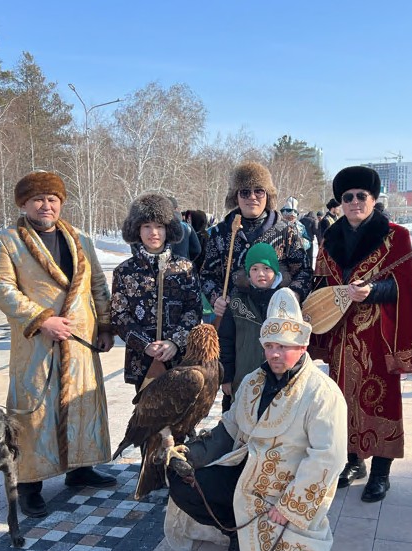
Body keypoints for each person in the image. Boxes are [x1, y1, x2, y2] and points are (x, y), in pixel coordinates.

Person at [165, 288, 347, 551]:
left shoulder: (323, 393)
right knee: (182, 483)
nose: (275, 354)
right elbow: (229, 428)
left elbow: (327, 458)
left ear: (303, 347)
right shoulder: (252, 381)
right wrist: (191, 455)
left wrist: (291, 506)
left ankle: (257, 533)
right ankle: (235, 536)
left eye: (284, 347)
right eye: (270, 346)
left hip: (286, 487)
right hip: (246, 471)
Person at [0, 171, 116, 518]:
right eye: (38, 199)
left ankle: (81, 467)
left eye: (52, 199)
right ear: (24, 204)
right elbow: (1, 287)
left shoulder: (80, 238)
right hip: (37, 345)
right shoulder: (7, 241)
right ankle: (29, 484)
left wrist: (106, 325)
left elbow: (98, 283)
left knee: (82, 404)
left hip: (80, 342)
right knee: (34, 412)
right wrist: (42, 319)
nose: (46, 205)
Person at [312, 166, 412, 503]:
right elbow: (321, 284)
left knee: (381, 399)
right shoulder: (330, 238)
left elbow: (405, 288)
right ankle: (353, 461)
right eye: (348, 197)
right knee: (340, 399)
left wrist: (372, 291)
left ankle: (381, 472)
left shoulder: (395, 236)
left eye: (362, 196)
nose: (355, 202)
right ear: (340, 203)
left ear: (373, 199)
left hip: (377, 335)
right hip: (340, 335)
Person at [111, 193, 202, 392]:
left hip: (179, 358)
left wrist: (174, 342)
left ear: (168, 229)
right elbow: (119, 316)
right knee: (147, 410)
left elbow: (194, 310)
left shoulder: (185, 268)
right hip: (143, 361)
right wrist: (144, 344)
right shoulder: (124, 271)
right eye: (147, 226)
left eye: (159, 226)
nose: (154, 232)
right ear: (137, 229)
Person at [199, 162, 311, 319]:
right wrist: (216, 297)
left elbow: (304, 271)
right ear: (236, 196)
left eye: (259, 191)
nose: (252, 197)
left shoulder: (286, 230)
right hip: (234, 320)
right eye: (245, 192)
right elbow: (207, 274)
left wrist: (293, 294)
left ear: (267, 195)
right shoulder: (221, 232)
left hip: (277, 317)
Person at [218, 242, 290, 412]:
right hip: (242, 377)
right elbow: (225, 341)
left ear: (275, 271)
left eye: (266, 268)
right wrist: (226, 376)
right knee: (239, 419)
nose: (261, 274)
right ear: (248, 272)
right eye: (255, 269)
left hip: (279, 379)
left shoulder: (286, 301)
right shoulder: (236, 303)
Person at [168, 197, 201, 263]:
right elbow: (197, 249)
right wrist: (187, 259)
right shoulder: (186, 226)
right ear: (176, 209)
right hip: (182, 265)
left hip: (162, 266)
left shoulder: (159, 227)